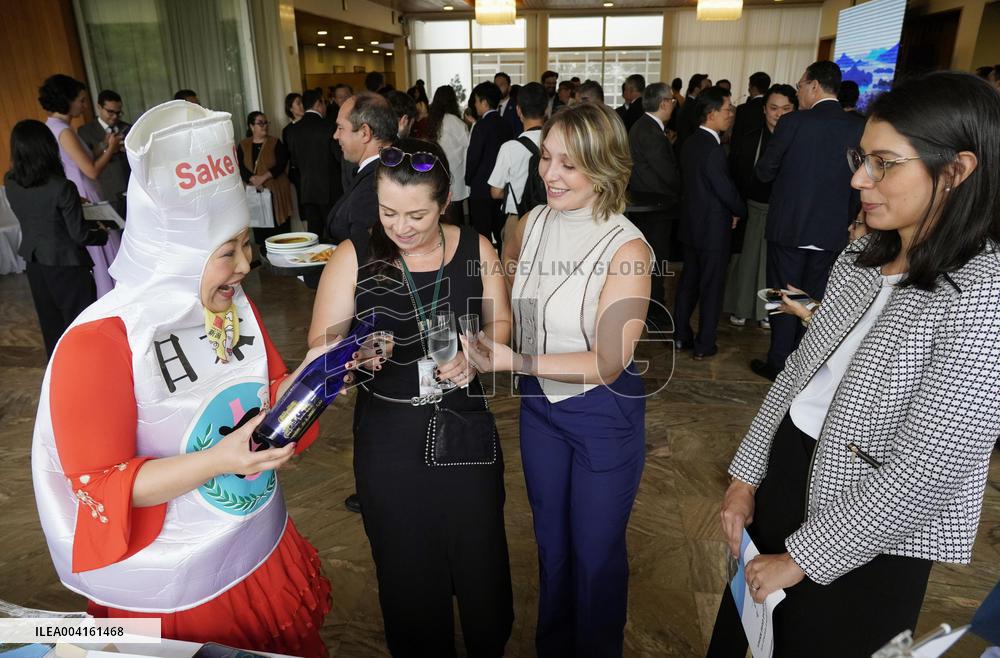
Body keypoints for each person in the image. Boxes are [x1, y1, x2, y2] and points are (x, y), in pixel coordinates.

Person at [708, 70, 1000, 658]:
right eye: (861, 157)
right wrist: (746, 477)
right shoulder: (866, 252)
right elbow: (797, 375)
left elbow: (932, 466)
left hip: (875, 527)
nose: (858, 178)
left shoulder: (982, 292)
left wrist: (805, 556)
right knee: (743, 637)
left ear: (958, 170)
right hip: (792, 473)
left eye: (884, 163)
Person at [31, 100, 332, 656]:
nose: (246, 265)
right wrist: (220, 460)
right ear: (176, 257)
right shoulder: (97, 343)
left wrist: (316, 381)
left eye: (246, 244)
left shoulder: (233, 304)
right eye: (227, 252)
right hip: (171, 586)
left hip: (254, 542)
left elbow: (267, 391)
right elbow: (101, 486)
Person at [309, 137, 514, 656]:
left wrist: (479, 353)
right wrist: (351, 354)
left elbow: (504, 324)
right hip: (390, 434)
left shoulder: (475, 247)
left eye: (417, 215)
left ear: (445, 203)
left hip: (462, 423)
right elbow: (320, 346)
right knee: (405, 565)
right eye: (388, 212)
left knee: (479, 554)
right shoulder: (354, 256)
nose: (400, 227)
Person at [468, 102, 652, 658]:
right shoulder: (531, 222)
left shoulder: (628, 248)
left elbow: (607, 362)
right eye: (547, 158)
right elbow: (513, 303)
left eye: (570, 165)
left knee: (595, 553)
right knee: (551, 542)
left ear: (605, 167)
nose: (550, 174)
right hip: (539, 410)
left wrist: (514, 362)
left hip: (602, 414)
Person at [750, 61, 865, 381]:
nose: (798, 90)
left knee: (782, 294)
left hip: (789, 227)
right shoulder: (857, 126)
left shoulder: (792, 123)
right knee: (815, 299)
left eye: (800, 85)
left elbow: (764, 172)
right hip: (831, 231)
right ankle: (805, 364)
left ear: (814, 86)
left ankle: (778, 362)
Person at [5, 120, 108, 357]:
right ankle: (86, 368)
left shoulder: (10, 180)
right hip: (66, 266)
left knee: (51, 324)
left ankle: (59, 369)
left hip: (35, 263)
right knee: (80, 323)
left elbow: (37, 213)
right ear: (48, 147)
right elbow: (80, 235)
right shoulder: (62, 187)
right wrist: (103, 231)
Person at [674, 86, 746, 360]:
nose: (731, 115)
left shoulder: (690, 142)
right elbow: (724, 189)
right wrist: (739, 209)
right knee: (712, 289)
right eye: (728, 110)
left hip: (691, 226)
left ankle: (680, 336)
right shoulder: (714, 148)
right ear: (712, 113)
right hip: (713, 231)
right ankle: (705, 344)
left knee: (689, 283)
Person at [40, 74, 123, 299]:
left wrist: (102, 146)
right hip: (86, 193)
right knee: (107, 250)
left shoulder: (54, 127)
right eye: (81, 99)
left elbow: (79, 160)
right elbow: (91, 170)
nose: (84, 105)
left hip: (80, 191)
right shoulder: (65, 131)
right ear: (68, 100)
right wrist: (111, 150)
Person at [725, 84, 798, 329]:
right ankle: (741, 307)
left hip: (784, 212)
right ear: (764, 110)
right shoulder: (748, 140)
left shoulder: (800, 139)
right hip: (750, 209)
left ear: (795, 109)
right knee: (745, 264)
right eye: (773, 108)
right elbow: (734, 177)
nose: (779, 114)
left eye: (786, 109)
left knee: (776, 266)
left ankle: (771, 310)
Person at [627, 82, 681, 320]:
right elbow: (667, 174)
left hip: (644, 204)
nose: (674, 104)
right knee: (656, 260)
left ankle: (649, 305)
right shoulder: (650, 131)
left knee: (649, 260)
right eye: (672, 100)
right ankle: (654, 309)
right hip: (654, 207)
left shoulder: (644, 126)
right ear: (664, 103)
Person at [330, 91, 397, 256]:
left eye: (340, 128)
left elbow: (367, 258)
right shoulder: (390, 164)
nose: (335, 135)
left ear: (365, 133)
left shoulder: (377, 182)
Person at [488, 82, 546, 250]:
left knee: (512, 271)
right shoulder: (558, 142)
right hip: (550, 216)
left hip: (518, 217)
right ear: (546, 110)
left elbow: (495, 192)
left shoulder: (509, 148)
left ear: (519, 111)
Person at [285, 88, 343, 240]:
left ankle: (315, 263)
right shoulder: (329, 126)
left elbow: (295, 161)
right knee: (335, 234)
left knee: (314, 235)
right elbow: (339, 157)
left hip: (307, 190)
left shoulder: (293, 130)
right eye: (323, 103)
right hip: (331, 189)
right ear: (318, 103)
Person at [465, 81, 513, 249]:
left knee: (482, 234)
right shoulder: (506, 124)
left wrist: (468, 179)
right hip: (501, 187)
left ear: (484, 102)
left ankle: (485, 268)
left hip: (481, 186)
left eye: (477, 101)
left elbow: (473, 157)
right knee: (501, 231)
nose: (475, 105)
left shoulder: (481, 126)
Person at [237, 111, 294, 249]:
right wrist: (253, 179)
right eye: (260, 123)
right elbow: (240, 166)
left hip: (276, 193)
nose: (264, 126)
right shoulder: (243, 145)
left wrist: (263, 177)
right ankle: (265, 260)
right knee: (261, 230)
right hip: (255, 194)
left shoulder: (275, 142)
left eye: (266, 123)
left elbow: (281, 164)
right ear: (251, 126)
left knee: (278, 231)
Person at [78, 90, 131, 219]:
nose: (114, 117)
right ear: (99, 107)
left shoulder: (128, 127)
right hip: (107, 191)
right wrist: (107, 147)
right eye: (110, 112)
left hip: (130, 189)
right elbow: (87, 160)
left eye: (118, 113)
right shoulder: (85, 131)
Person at [424, 84, 470, 226]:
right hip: (456, 172)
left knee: (442, 212)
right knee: (456, 214)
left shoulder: (432, 121)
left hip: (438, 171)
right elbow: (468, 144)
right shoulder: (454, 121)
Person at [730, 72, 771, 152]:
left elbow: (736, 138)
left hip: (743, 154)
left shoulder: (743, 109)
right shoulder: (771, 108)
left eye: (749, 87)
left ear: (753, 88)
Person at [675, 73, 712, 151]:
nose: (709, 91)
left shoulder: (692, 104)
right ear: (696, 89)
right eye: (706, 88)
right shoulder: (692, 107)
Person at [495, 71, 523, 135]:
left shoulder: (516, 107)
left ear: (509, 88)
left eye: (501, 85)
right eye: (496, 85)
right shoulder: (490, 107)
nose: (498, 88)